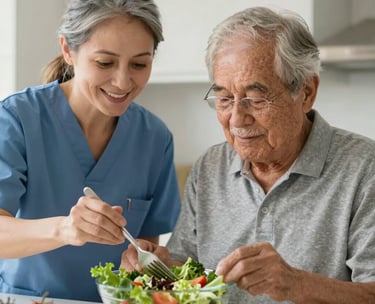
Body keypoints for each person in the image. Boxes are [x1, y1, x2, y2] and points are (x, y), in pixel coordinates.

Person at [120, 6, 375, 303]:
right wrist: (160, 267)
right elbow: (187, 275)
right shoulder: (209, 168)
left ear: (306, 93)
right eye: (224, 99)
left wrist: (297, 284)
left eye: (255, 99)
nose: (237, 119)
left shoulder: (364, 170)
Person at [0, 0, 181, 302]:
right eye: (105, 63)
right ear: (68, 50)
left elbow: (146, 241)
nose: (123, 81)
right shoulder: (16, 120)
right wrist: (66, 229)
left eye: (139, 64)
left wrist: (145, 259)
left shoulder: (155, 138)